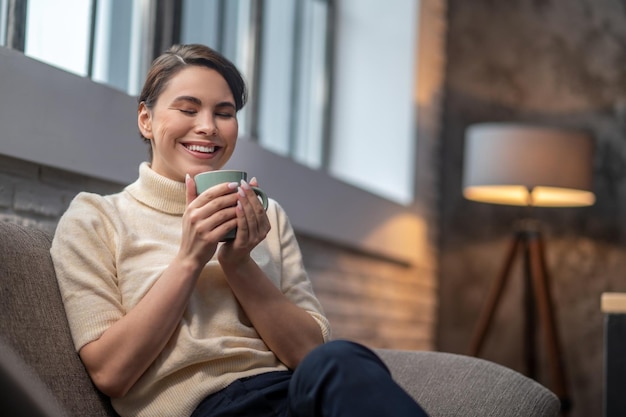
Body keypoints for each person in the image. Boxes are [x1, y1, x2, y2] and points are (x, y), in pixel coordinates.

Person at [50, 43, 428, 417]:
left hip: (289, 396)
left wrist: (239, 264)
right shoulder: (96, 218)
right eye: (188, 109)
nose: (208, 127)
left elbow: (311, 354)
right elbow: (110, 373)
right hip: (205, 409)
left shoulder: (267, 217)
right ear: (145, 120)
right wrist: (189, 259)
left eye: (224, 113)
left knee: (342, 360)